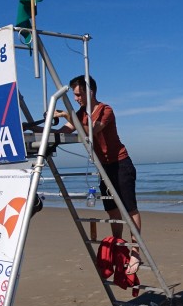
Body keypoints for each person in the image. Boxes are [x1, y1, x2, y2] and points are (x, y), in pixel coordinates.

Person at [53, 75, 142, 274]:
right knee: (111, 210)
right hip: (104, 167)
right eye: (74, 95)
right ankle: (119, 246)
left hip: (121, 163)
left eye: (78, 95)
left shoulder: (106, 110)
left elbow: (92, 130)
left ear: (89, 92)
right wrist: (34, 130)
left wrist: (69, 116)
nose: (76, 98)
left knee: (130, 210)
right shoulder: (80, 113)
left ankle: (136, 252)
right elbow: (63, 131)